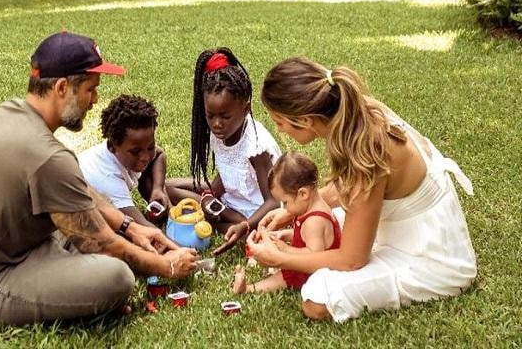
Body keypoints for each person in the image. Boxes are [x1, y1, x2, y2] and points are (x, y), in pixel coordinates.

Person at [0, 31, 197, 326]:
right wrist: (168, 265)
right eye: (90, 90)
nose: (94, 100)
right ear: (62, 87)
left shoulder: (10, 112)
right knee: (117, 275)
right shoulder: (48, 157)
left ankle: (78, 290)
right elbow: (104, 245)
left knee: (101, 236)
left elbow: (76, 192)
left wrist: (130, 227)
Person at [247, 57, 476, 322]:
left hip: (431, 254)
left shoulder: (366, 148)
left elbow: (352, 259)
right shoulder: (353, 111)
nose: (278, 130)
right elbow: (348, 190)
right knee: (318, 225)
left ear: (306, 120)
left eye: (279, 122)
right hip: (402, 221)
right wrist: (295, 211)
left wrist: (280, 258)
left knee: (318, 298)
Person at [166, 48, 281, 255]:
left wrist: (245, 225)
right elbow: (228, 172)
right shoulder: (219, 133)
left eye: (225, 117)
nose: (217, 124)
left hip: (256, 213)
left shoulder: (256, 146)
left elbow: (274, 202)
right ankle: (213, 216)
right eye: (210, 116)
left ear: (245, 110)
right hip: (229, 203)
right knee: (166, 187)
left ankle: (229, 226)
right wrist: (209, 196)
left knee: (245, 235)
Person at [233, 151, 341, 294]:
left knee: (283, 277)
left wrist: (285, 249)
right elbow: (309, 237)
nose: (284, 208)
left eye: (285, 202)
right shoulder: (310, 209)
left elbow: (314, 255)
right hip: (312, 264)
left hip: (314, 272)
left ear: (303, 194)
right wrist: (285, 234)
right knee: (282, 271)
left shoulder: (314, 221)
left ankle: (248, 289)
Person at [78, 94, 171, 227]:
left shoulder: (123, 150)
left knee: (160, 184)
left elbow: (159, 154)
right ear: (112, 146)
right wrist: (183, 248)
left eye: (150, 147)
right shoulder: (109, 180)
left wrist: (157, 189)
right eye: (135, 152)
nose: (145, 157)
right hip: (79, 222)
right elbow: (141, 227)